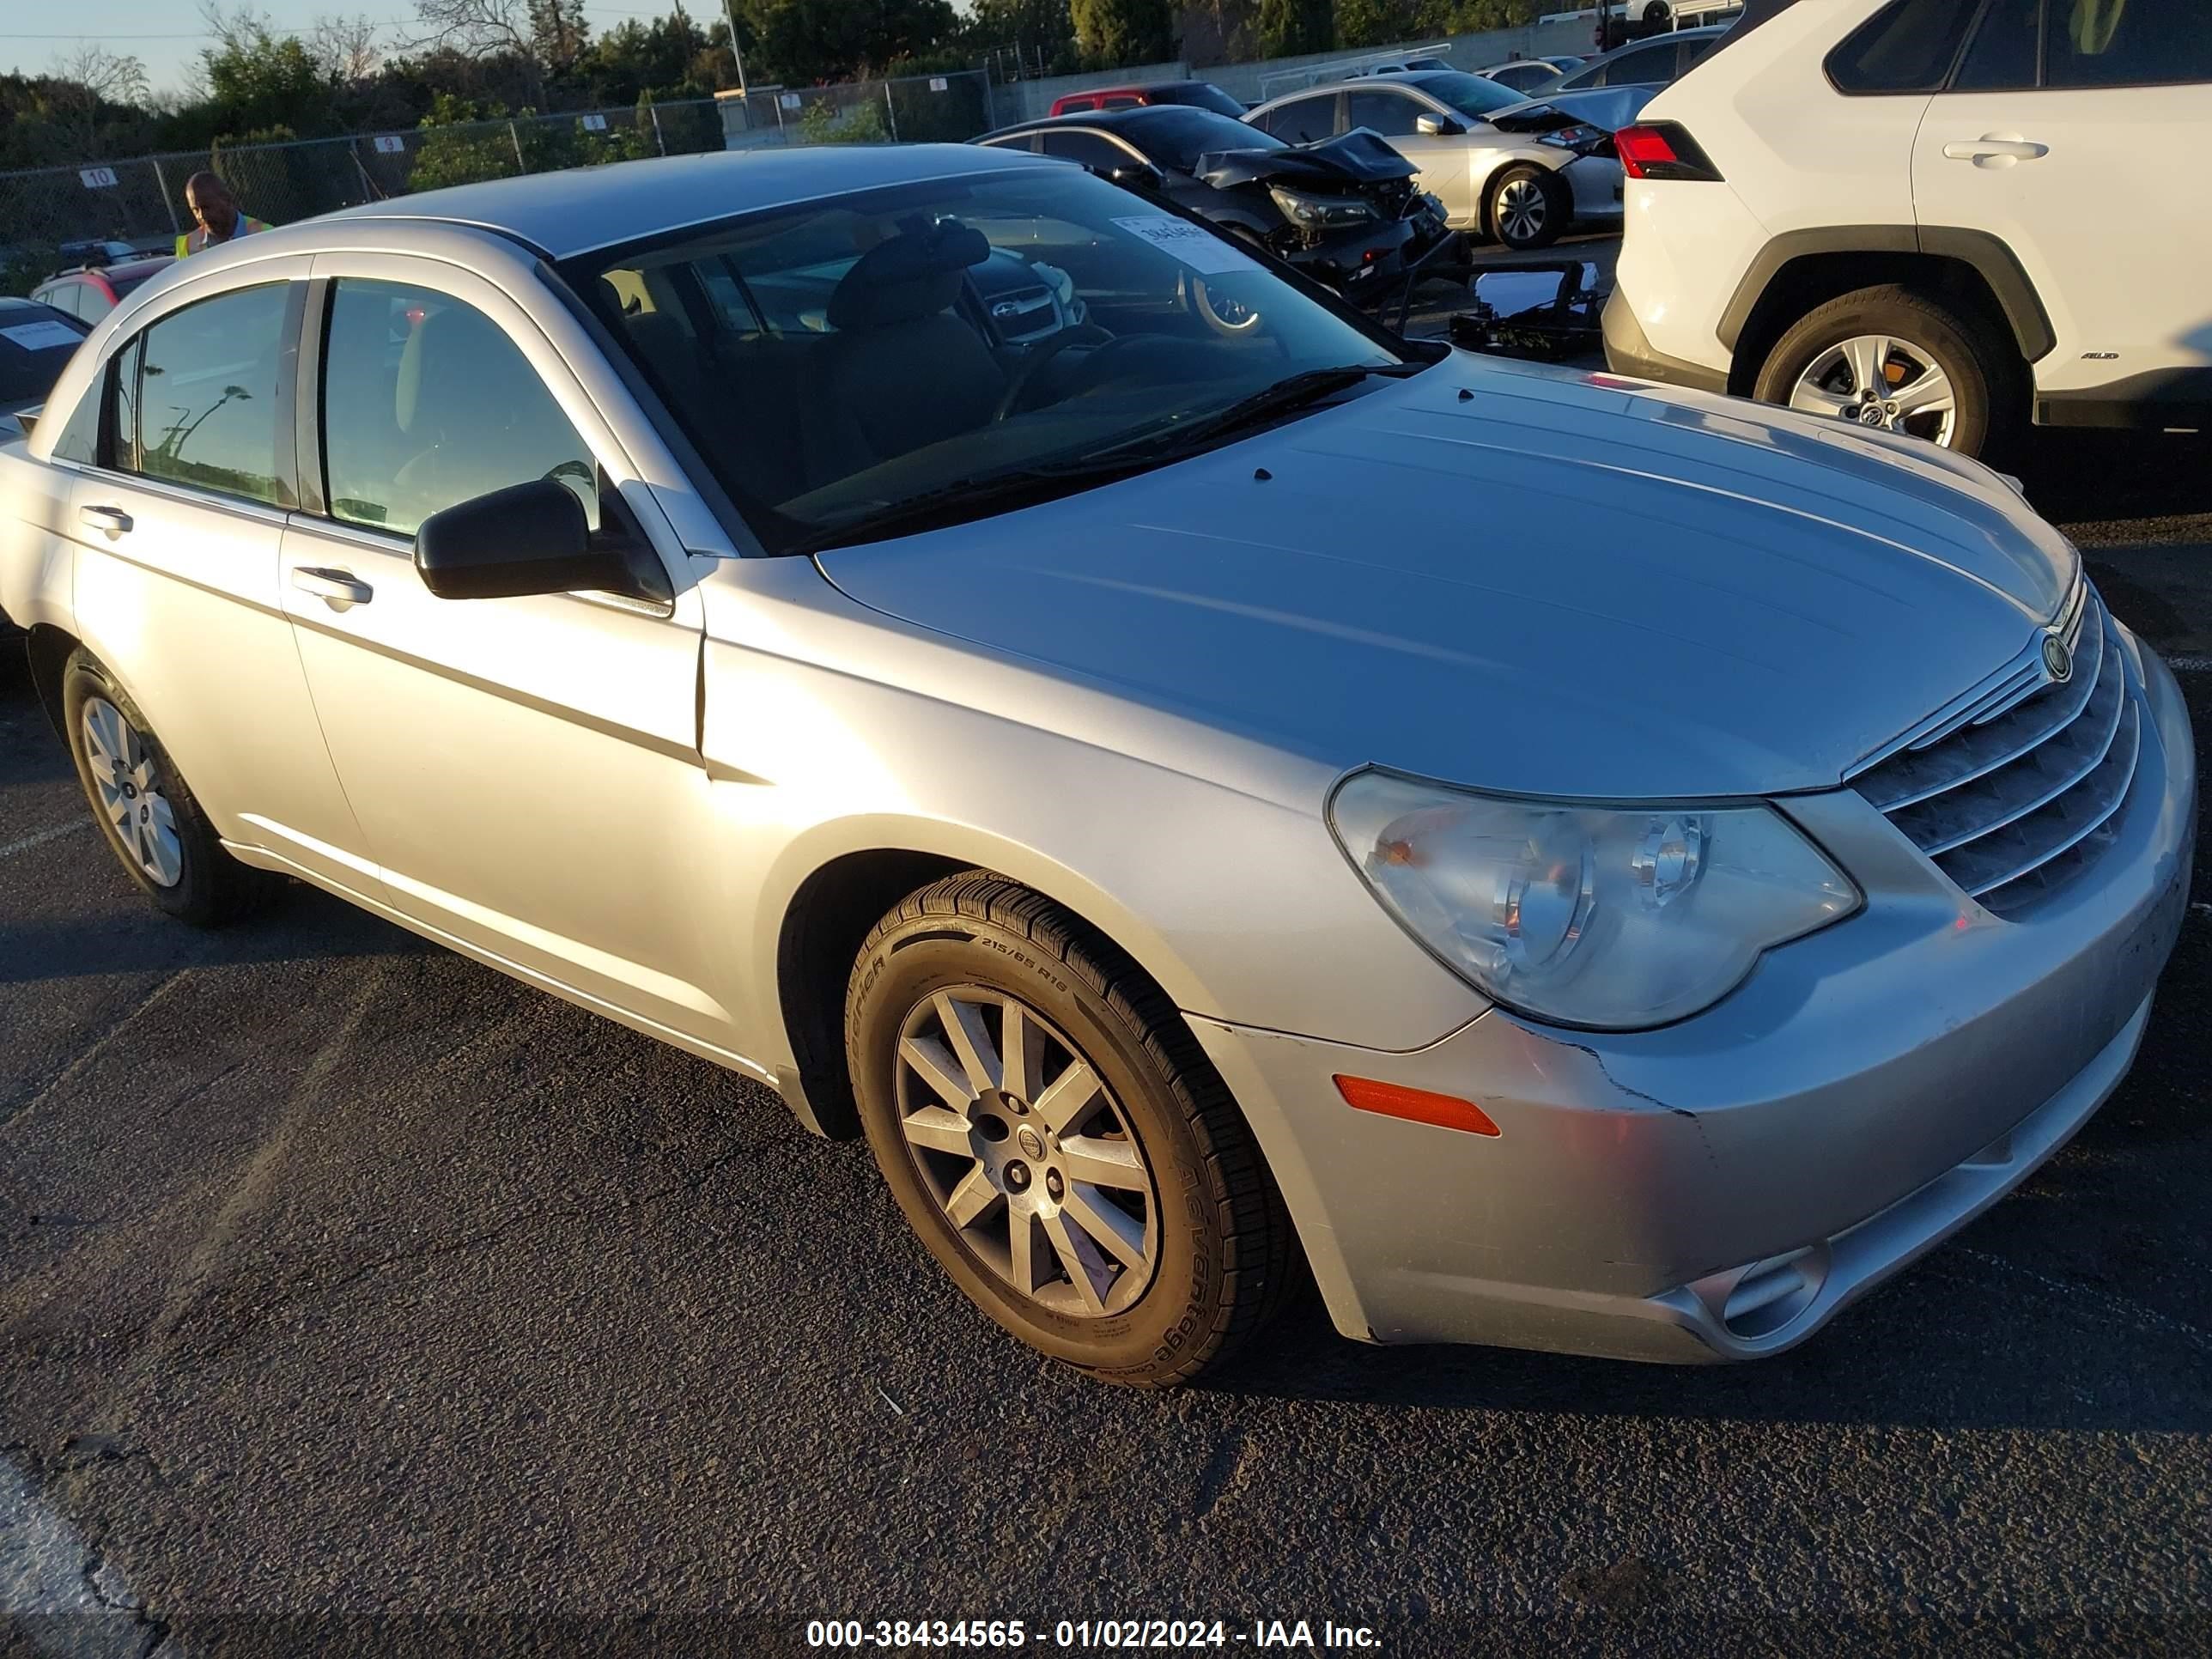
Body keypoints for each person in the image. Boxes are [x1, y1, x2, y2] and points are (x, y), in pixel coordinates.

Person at [175, 172, 272, 258]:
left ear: (227, 199)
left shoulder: (265, 235)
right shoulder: (188, 246)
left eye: (207, 207)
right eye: (195, 210)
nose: (202, 216)